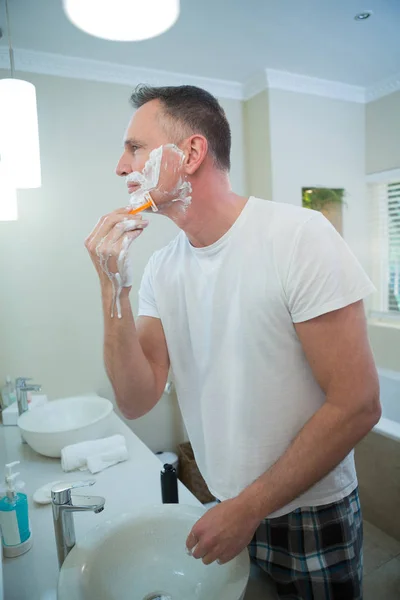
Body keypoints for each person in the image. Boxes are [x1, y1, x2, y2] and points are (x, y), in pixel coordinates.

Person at [85, 85, 381, 600]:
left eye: (135, 147)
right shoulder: (161, 268)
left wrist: (248, 507)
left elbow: (358, 404)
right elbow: (135, 400)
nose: (120, 166)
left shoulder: (298, 237)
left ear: (192, 153)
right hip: (223, 503)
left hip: (308, 510)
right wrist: (114, 290)